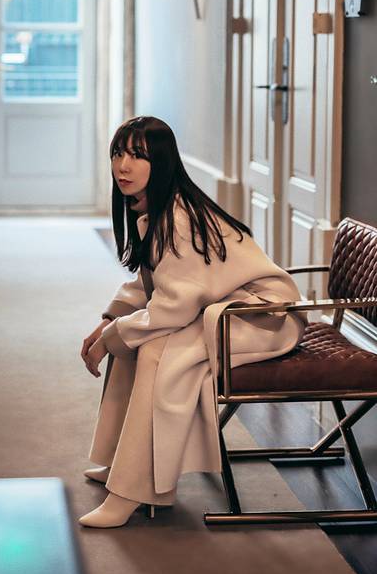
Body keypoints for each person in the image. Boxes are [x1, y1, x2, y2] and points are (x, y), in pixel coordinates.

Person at [78, 115, 307, 528]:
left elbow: (172, 308)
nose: (123, 166)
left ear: (161, 161)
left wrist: (114, 334)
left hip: (260, 317)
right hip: (222, 309)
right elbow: (155, 281)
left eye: (137, 156)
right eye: (118, 153)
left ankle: (133, 489)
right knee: (134, 340)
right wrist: (110, 320)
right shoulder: (158, 206)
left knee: (159, 352)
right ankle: (119, 461)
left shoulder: (179, 219)